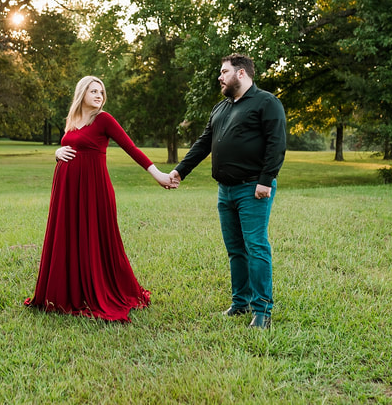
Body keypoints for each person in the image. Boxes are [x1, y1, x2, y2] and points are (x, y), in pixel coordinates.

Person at [25, 76, 175, 322]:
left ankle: (98, 291)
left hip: (93, 190)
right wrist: (56, 152)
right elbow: (68, 146)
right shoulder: (73, 120)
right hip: (67, 191)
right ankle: (65, 292)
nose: (99, 95)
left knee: (94, 239)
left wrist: (157, 174)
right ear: (82, 93)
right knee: (68, 237)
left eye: (101, 92)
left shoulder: (103, 119)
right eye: (93, 91)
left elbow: (131, 148)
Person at [169, 54, 286, 329]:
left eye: (224, 72)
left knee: (256, 246)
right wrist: (180, 171)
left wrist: (266, 181)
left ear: (241, 73)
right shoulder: (221, 108)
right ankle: (241, 302)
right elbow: (203, 144)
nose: (220, 77)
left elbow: (276, 143)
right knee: (235, 249)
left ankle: (262, 311)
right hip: (226, 191)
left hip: (253, 188)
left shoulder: (266, 102)